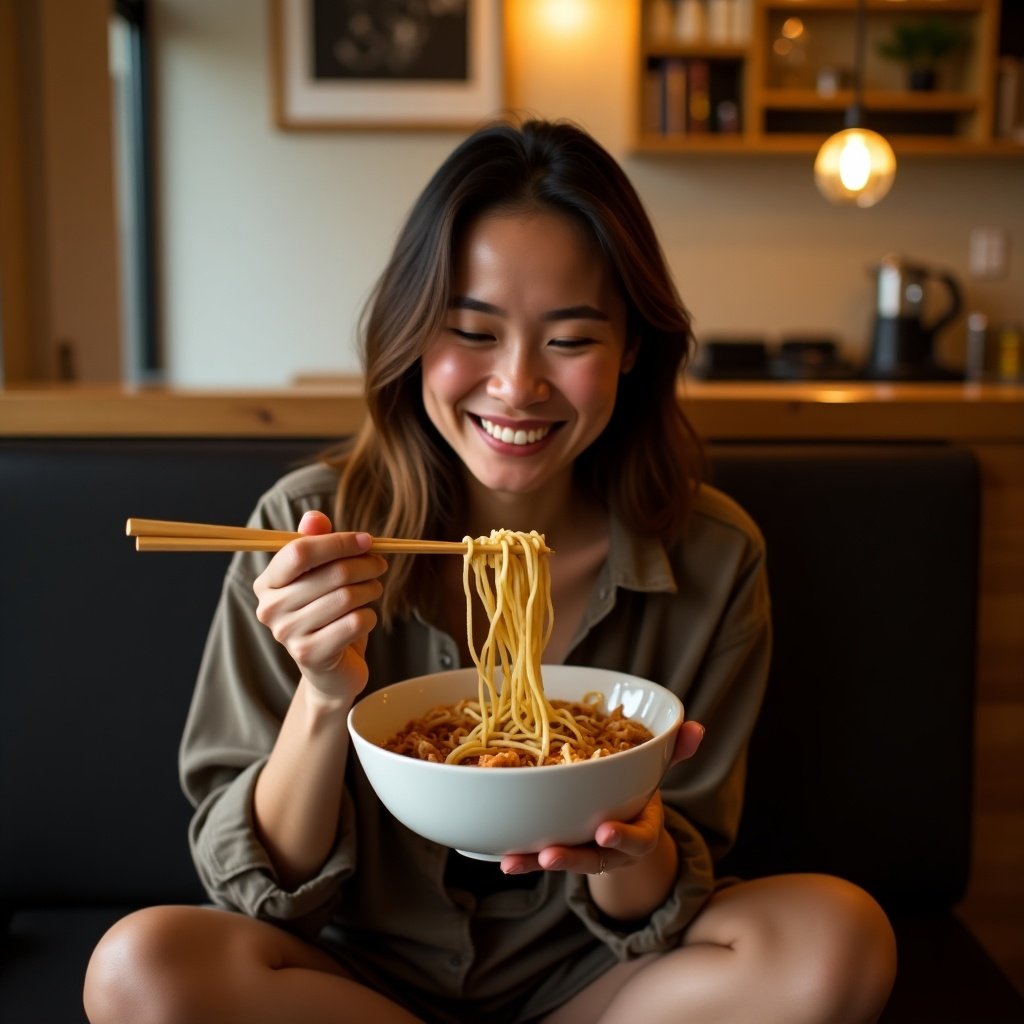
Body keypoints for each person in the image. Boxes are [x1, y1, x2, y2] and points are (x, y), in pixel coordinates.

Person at [84, 117, 896, 1024]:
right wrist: (323, 693)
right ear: (410, 335)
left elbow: (665, 903)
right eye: (471, 330)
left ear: (632, 347)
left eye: (571, 340)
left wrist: (640, 841)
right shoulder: (303, 530)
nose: (516, 386)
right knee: (137, 970)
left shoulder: (712, 553)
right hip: (355, 985)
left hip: (594, 983)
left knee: (840, 936)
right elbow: (258, 885)